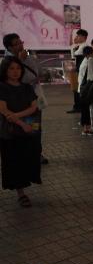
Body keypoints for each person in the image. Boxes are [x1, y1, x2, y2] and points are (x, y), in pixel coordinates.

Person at [0, 57, 42, 207]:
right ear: (5, 70)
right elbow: (4, 110)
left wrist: (17, 117)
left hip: (28, 129)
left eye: (18, 68)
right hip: (10, 132)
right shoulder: (2, 87)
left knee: (28, 157)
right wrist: (21, 123)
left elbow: (33, 106)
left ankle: (24, 185)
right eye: (11, 68)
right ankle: (21, 193)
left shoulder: (26, 87)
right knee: (13, 160)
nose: (15, 72)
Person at [2, 33, 49, 164]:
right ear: (9, 48)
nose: (20, 45)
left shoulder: (26, 56)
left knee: (35, 128)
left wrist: (27, 59)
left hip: (34, 99)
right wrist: (20, 61)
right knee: (19, 130)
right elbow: (15, 79)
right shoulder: (8, 61)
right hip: (19, 103)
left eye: (20, 41)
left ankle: (35, 153)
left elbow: (39, 71)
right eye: (16, 43)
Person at [68, 28, 88, 113]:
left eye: (79, 36)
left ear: (84, 37)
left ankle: (78, 106)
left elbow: (75, 55)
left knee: (77, 89)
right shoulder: (79, 46)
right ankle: (77, 106)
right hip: (76, 70)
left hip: (80, 71)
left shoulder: (84, 46)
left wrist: (74, 45)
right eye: (77, 36)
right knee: (75, 89)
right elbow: (73, 55)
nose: (77, 38)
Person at [78, 46, 93, 135]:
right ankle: (86, 129)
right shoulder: (88, 62)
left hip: (82, 88)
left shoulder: (84, 61)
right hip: (85, 89)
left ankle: (86, 128)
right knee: (86, 110)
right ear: (90, 53)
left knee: (85, 110)